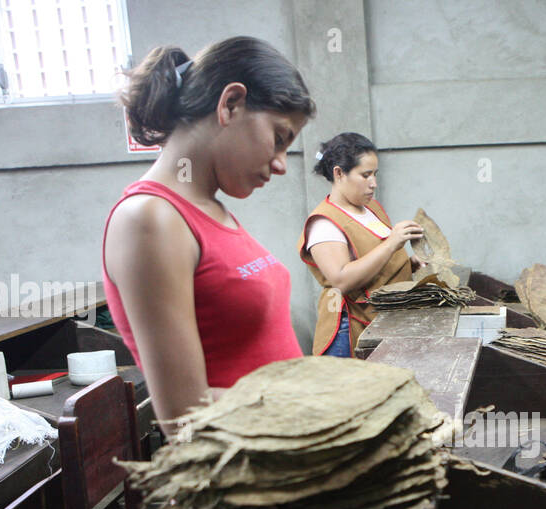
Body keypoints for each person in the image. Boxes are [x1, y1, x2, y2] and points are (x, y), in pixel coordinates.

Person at [102, 38, 315, 435]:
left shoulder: (211, 208)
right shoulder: (151, 219)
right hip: (238, 479)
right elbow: (184, 416)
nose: (281, 164)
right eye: (280, 138)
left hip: (282, 461)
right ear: (231, 104)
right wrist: (320, 401)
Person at [298, 133, 424, 356]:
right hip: (350, 332)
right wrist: (392, 244)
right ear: (339, 173)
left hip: (380, 323)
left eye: (375, 174)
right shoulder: (324, 223)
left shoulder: (370, 209)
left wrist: (406, 264)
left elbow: (375, 261)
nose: (373, 183)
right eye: (365, 175)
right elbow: (341, 279)